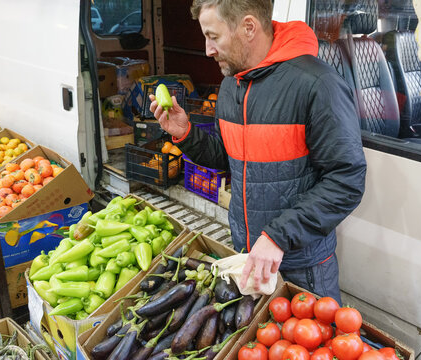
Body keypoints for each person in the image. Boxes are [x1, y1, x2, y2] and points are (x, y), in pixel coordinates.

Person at [149, 0, 366, 303]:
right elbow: (229, 159)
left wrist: (278, 236)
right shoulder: (230, 86)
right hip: (247, 257)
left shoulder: (318, 85)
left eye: (213, 36)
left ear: (248, 27)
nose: (207, 50)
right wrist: (185, 134)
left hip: (303, 270)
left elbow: (347, 181)